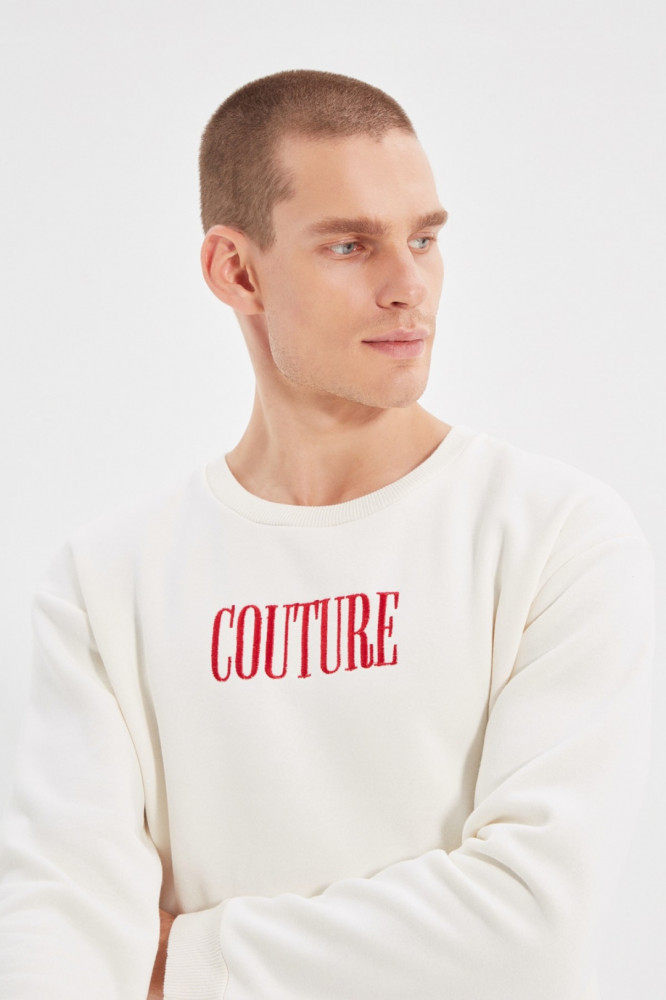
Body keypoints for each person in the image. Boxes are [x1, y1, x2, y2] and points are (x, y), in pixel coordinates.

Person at [0, 69, 654, 1000]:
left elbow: (529, 925)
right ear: (237, 270)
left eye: (424, 239)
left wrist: (181, 960)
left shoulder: (556, 536)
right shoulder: (109, 580)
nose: (409, 287)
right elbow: (60, 928)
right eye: (351, 245)